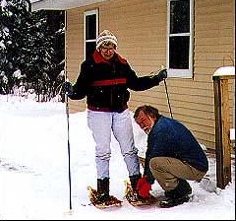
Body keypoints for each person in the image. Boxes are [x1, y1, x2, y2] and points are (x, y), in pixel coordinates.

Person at [62, 30, 167, 203]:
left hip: (121, 112)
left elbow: (136, 84)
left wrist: (156, 79)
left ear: (115, 47)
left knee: (129, 150)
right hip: (98, 114)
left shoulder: (122, 63)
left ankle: (138, 188)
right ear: (99, 47)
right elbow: (80, 90)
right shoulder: (89, 65)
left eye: (111, 46)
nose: (108, 50)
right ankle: (103, 191)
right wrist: (71, 91)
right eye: (104, 46)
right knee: (103, 151)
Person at [133, 105, 209, 207]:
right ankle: (182, 188)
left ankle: (179, 195)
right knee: (156, 162)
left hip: (196, 167)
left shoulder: (162, 130)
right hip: (187, 162)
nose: (142, 126)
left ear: (152, 116)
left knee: (156, 164)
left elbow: (155, 156)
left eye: (143, 120)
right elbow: (150, 152)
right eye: (139, 124)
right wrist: (145, 177)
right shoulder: (158, 125)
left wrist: (148, 182)